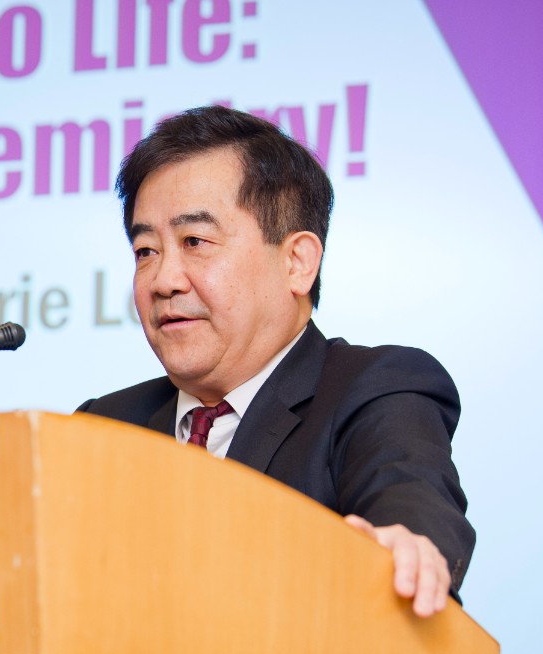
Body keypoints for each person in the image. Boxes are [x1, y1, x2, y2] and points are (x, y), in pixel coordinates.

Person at [77, 105, 473, 618]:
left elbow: (409, 497)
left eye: (195, 242)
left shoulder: (375, 389)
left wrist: (408, 544)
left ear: (297, 262)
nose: (164, 280)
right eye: (146, 251)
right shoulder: (103, 428)